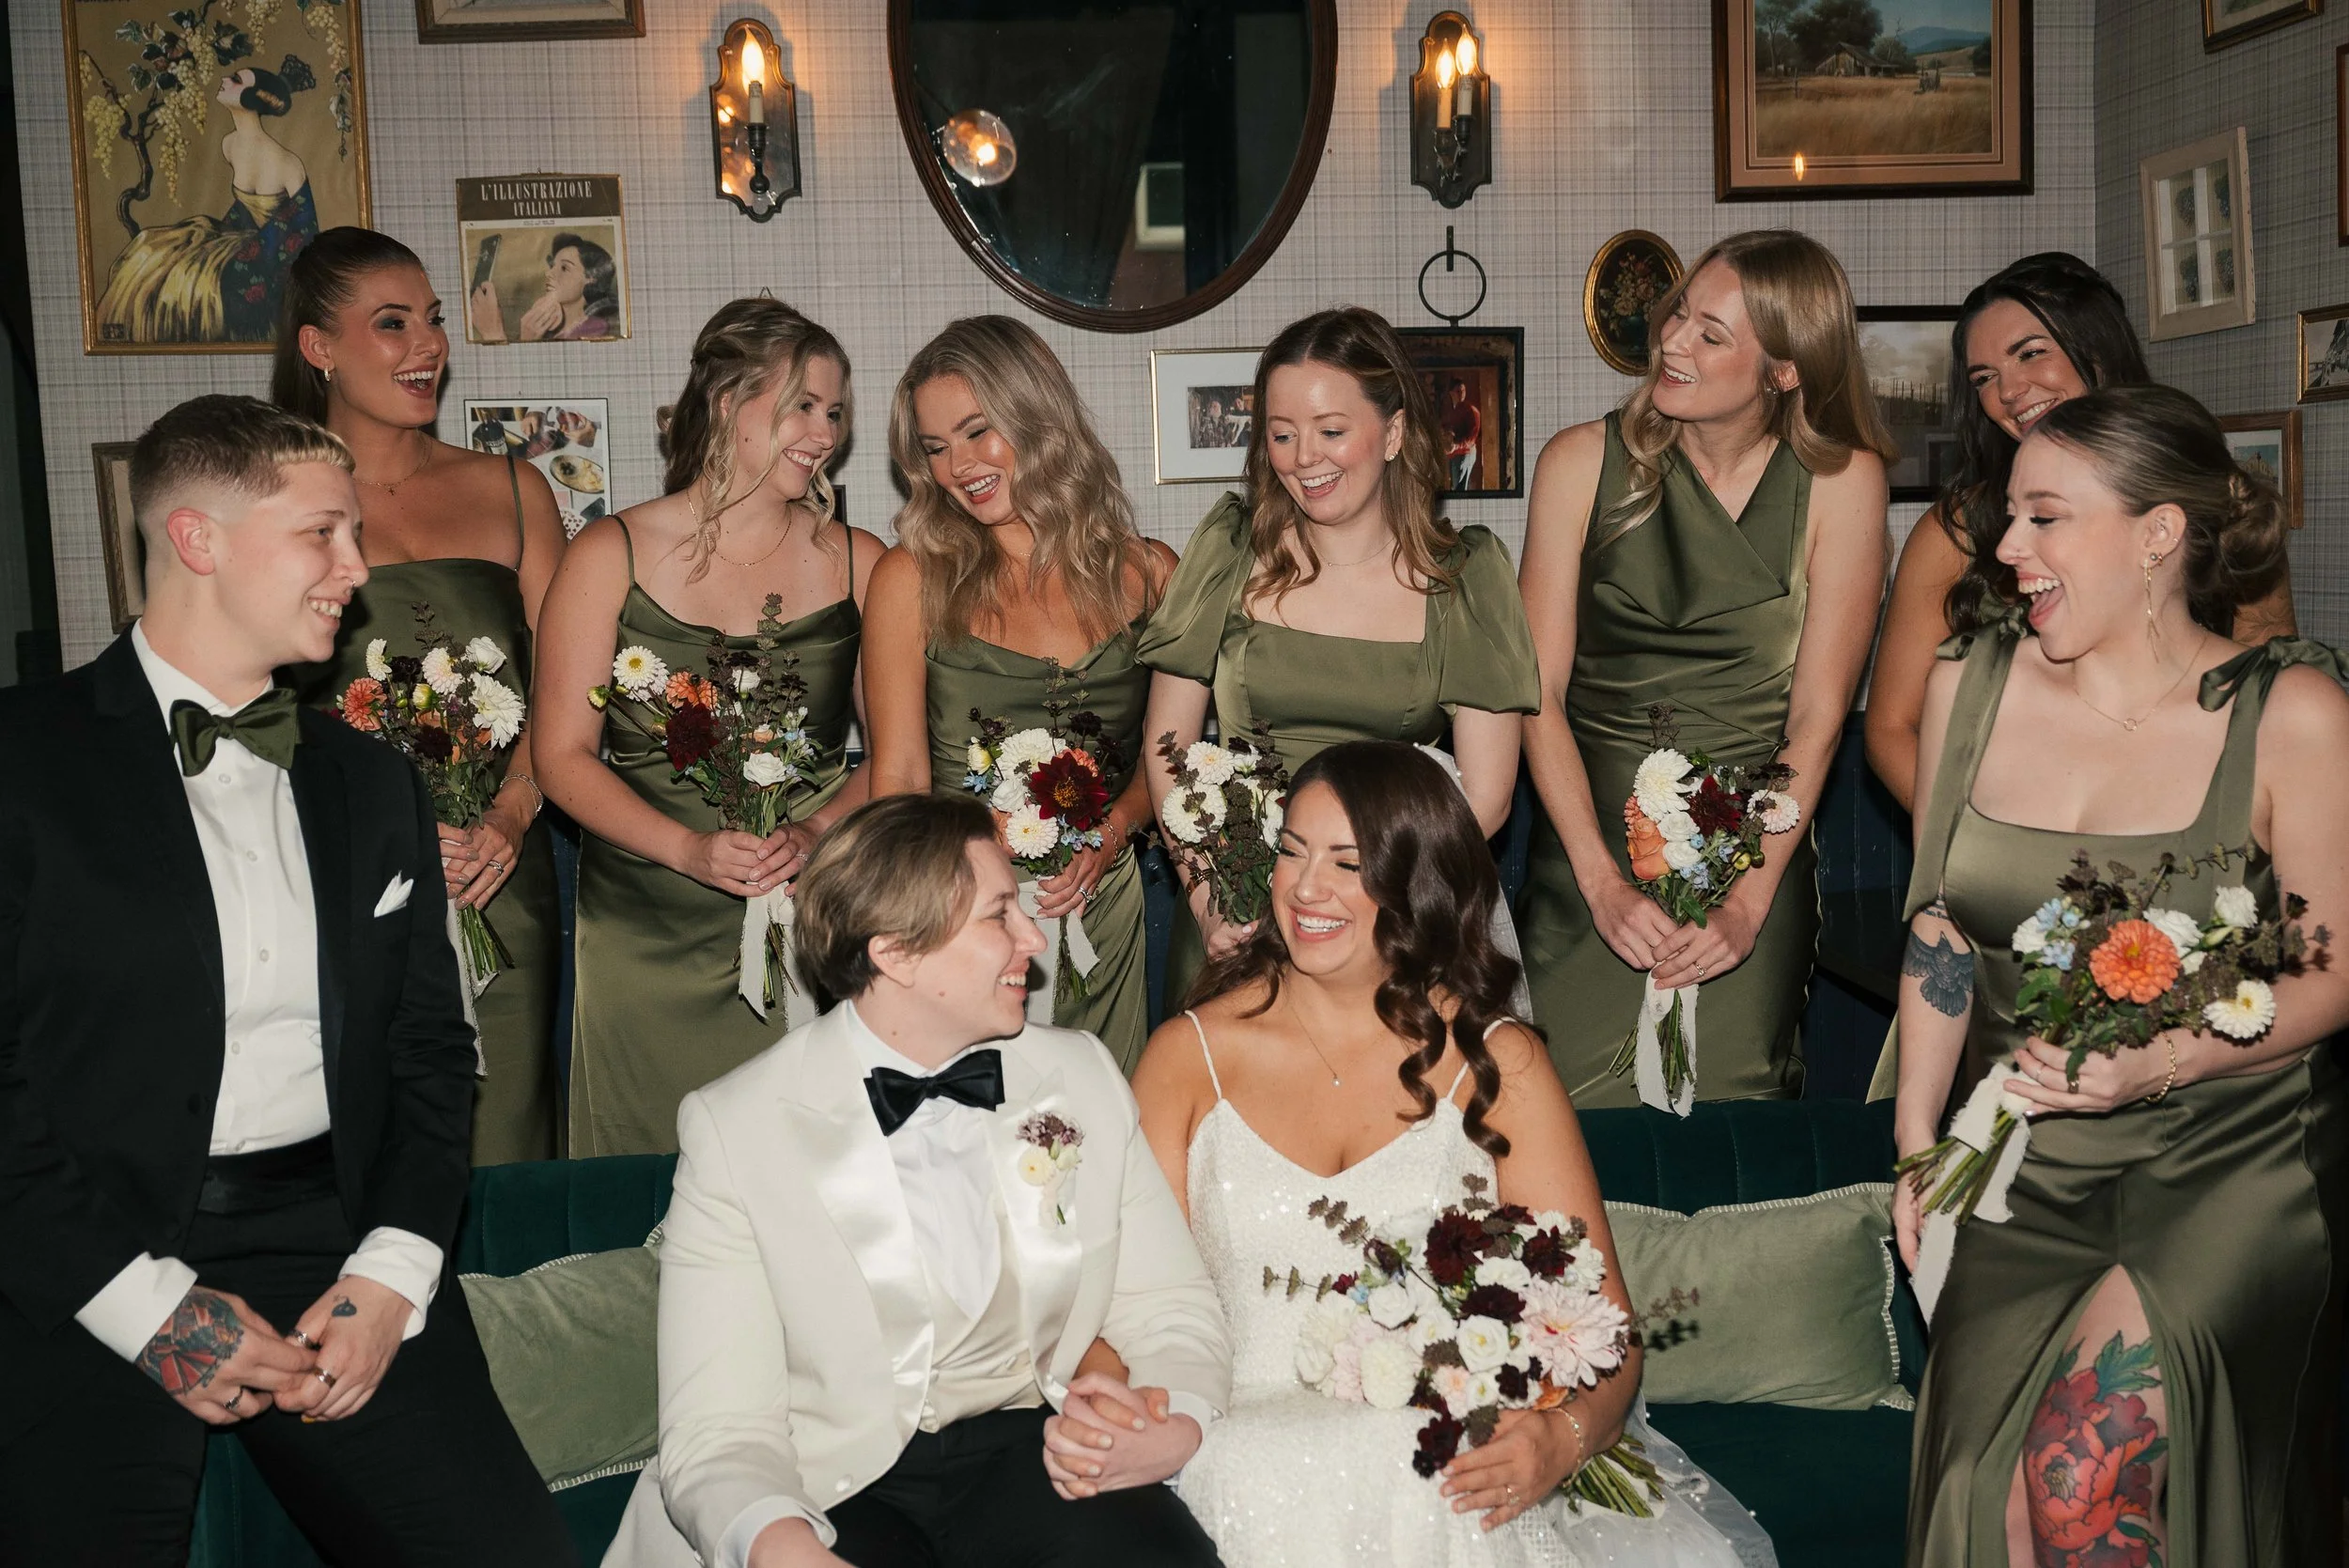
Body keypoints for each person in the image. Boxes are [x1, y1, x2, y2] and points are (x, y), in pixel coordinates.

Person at [0, 396, 571, 1564]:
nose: (355, 570)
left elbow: (428, 1052)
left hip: (337, 1236)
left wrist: (395, 1274)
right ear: (199, 540)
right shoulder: (21, 762)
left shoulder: (373, 782)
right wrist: (143, 1307)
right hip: (81, 1252)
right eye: (324, 533)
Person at [1108, 741, 1770, 1567]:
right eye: (1291, 850)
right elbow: (1124, 1308)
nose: (1306, 887)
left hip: (1443, 1483)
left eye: (1349, 863)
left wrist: (1556, 1444)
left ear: (1418, 884)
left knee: (1418, 1473)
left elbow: (1604, 1330)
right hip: (1225, 1459)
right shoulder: (1184, 1059)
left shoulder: (1503, 1064)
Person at [1891, 385, 2347, 1566]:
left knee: (2082, 1476)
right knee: (1989, 1501)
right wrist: (1915, 1150)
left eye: (2044, 517)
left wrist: (2163, 1058)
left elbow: (2332, 970)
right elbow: (1941, 941)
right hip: (2019, 1157)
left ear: (2157, 534)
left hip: (2222, 1153)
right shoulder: (1968, 688)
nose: (2006, 548)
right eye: (2008, 517)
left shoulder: (2289, 710)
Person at [603, 792, 1231, 1568]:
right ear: (895, 952)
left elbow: (1171, 1305)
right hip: (825, 1475)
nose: (1034, 938)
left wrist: (1175, 1420)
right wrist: (779, 1546)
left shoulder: (1080, 1074)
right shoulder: (737, 1126)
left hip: (1027, 1445)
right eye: (1000, 914)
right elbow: (720, 1428)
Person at [1517, 229, 1892, 1107]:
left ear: (1785, 370)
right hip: (1587, 867)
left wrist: (1749, 905)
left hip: (1753, 866)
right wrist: (1601, 882)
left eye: (1710, 334)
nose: (1672, 342)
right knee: (1569, 1138)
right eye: (1677, 314)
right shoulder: (1579, 463)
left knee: (1732, 1126)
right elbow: (1536, 693)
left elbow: (1818, 717)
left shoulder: (1843, 481)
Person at [537, 298, 883, 1157]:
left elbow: (896, 759)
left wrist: (813, 829)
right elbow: (559, 757)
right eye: (802, 404)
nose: (823, 432)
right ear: (728, 402)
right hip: (641, 935)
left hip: (811, 923)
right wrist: (689, 852)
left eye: (835, 412)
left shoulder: (863, 561)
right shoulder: (605, 553)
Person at [1139, 306, 1539, 1004]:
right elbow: (1166, 743)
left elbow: (1488, 795)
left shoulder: (1465, 577)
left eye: (1330, 431)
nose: (1303, 458)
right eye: (1282, 434)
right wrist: (1207, 900)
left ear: (1393, 433)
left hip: (1394, 922)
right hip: (1240, 911)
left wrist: (1366, 906)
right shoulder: (1228, 554)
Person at [274, 226, 568, 1165]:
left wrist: (512, 818)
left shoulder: (515, 490)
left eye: (434, 321)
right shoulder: (270, 497)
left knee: (507, 1139)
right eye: (392, 323)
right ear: (319, 347)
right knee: (369, 1146)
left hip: (498, 872)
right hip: (338, 883)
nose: (428, 344)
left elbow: (569, 690)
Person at [1865, 252, 2297, 815]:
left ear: (2098, 349)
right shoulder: (1959, 532)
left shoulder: (2209, 503)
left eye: (2031, 354)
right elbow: (1893, 727)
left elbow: (2267, 697)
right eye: (1985, 378)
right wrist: (1970, 845)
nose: (2010, 391)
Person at [864, 316, 1174, 1073]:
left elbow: (1173, 756)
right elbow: (898, 780)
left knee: (1101, 1130)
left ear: (1038, 414)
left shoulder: (1152, 572)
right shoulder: (910, 580)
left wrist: (1117, 831)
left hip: (1105, 902)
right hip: (959, 919)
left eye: (976, 432)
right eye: (935, 449)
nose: (956, 466)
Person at [96, 58, 321, 346]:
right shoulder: (230, 144)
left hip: (271, 252)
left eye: (237, 80)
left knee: (200, 281)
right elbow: (245, 208)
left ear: (254, 98)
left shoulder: (288, 163)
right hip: (239, 237)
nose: (225, 80)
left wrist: (251, 253)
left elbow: (305, 232)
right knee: (151, 249)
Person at [468, 231, 621, 344]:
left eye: (564, 268)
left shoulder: (595, 329)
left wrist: (495, 333)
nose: (549, 273)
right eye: (552, 266)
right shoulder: (553, 331)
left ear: (591, 278)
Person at [1439, 377, 1482, 490]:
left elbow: (1472, 436)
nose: (1461, 394)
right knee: (1455, 489)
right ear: (1451, 393)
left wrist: (1457, 445)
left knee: (1460, 491)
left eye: (1463, 391)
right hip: (1453, 454)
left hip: (1464, 453)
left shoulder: (1470, 410)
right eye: (1458, 391)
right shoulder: (1453, 412)